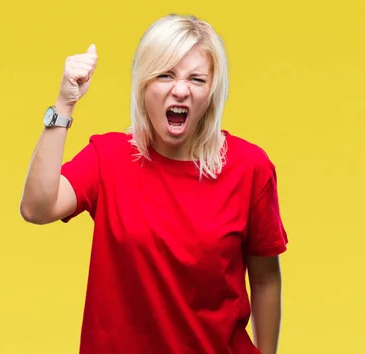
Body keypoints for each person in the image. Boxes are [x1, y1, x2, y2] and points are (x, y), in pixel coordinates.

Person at [20, 13, 288, 354]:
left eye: (197, 79)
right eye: (165, 75)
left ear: (212, 91)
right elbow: (36, 208)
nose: (180, 90)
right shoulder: (108, 158)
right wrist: (64, 104)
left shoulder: (250, 167)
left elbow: (265, 278)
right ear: (143, 84)